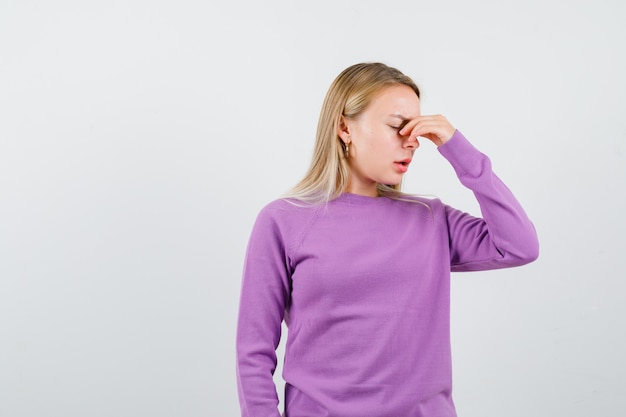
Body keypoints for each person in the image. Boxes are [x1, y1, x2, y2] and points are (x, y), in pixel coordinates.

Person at [236, 62, 539, 417]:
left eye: (416, 130)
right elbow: (254, 352)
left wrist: (458, 148)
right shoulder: (284, 220)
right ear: (344, 127)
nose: (412, 141)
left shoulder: (430, 218)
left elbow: (519, 245)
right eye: (398, 126)